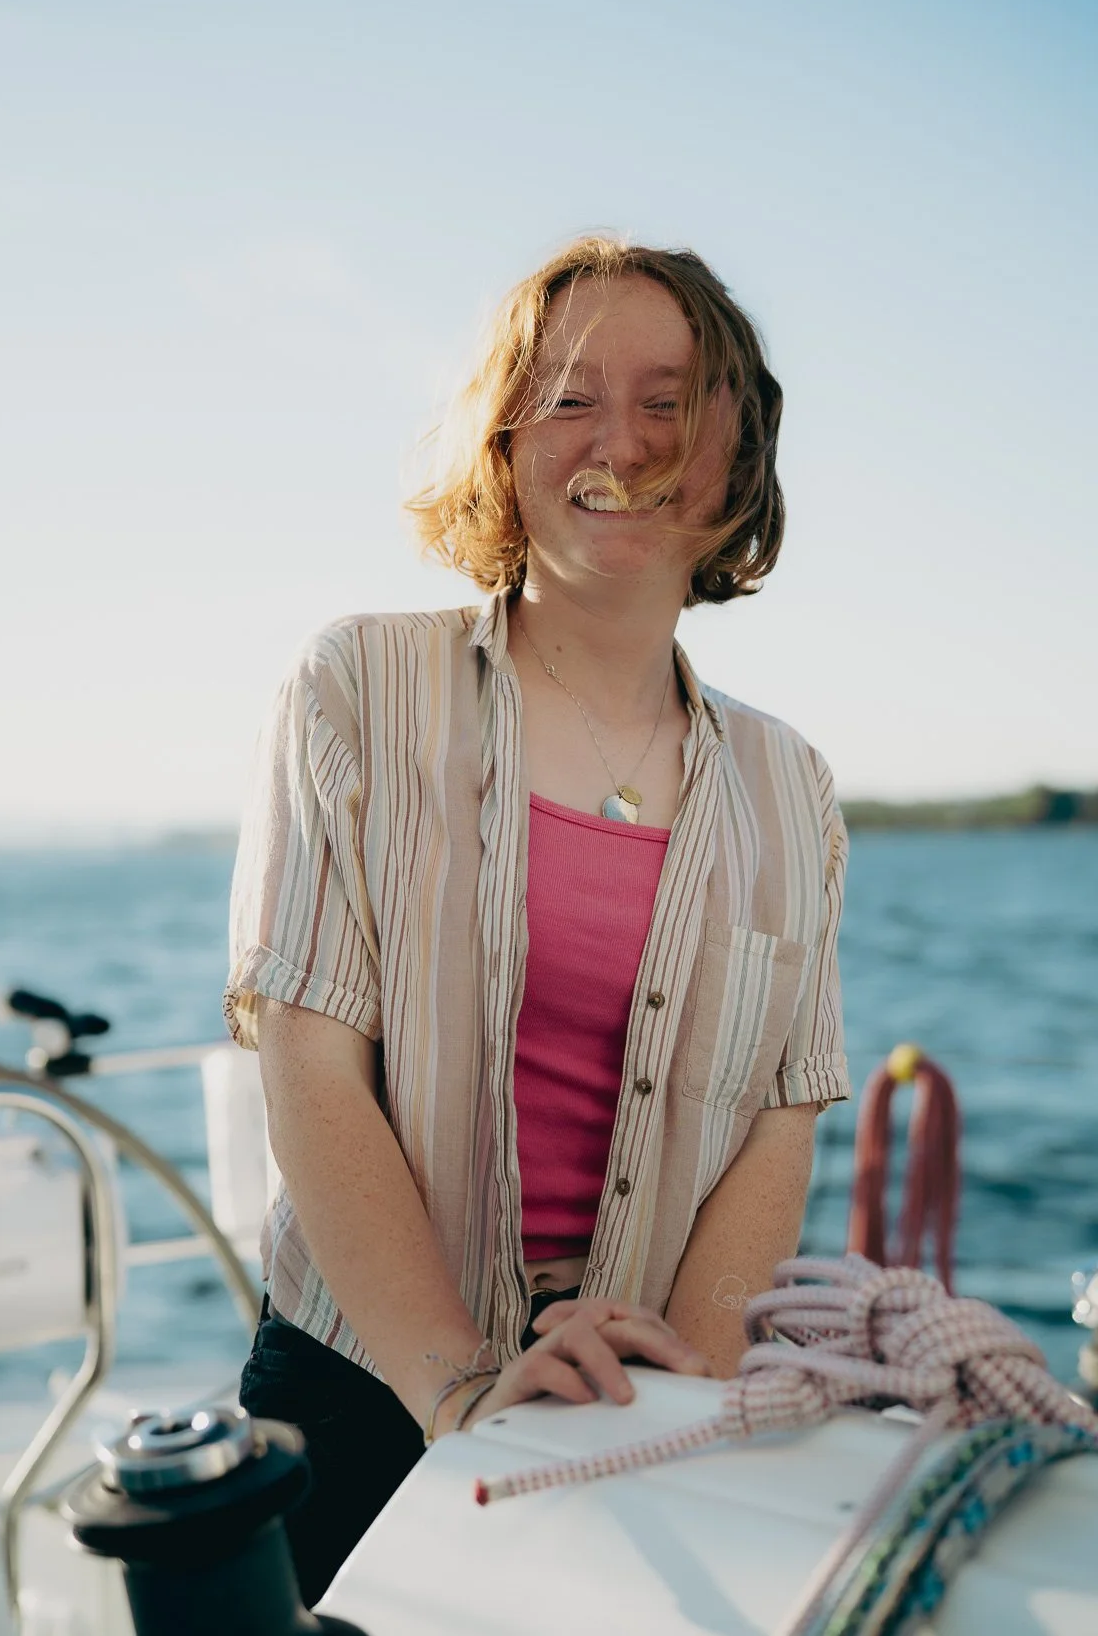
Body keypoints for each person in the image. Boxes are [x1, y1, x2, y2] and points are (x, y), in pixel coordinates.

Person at [226, 235, 850, 1603]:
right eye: (569, 396)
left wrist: (670, 1403)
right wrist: (460, 1387)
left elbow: (781, 1118)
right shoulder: (357, 689)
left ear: (737, 447)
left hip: (637, 1416)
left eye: (670, 397)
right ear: (503, 443)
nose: (618, 439)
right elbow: (307, 1059)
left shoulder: (793, 787)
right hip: (356, 1398)